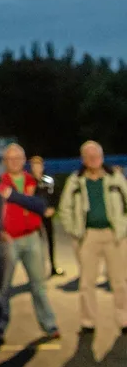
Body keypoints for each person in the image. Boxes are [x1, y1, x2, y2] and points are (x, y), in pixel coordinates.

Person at [0, 144, 59, 341]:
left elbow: (41, 206)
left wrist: (12, 195)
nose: (15, 162)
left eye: (18, 158)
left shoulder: (33, 181)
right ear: (5, 161)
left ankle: (49, 324)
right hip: (8, 240)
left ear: (24, 159)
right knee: (3, 289)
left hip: (32, 237)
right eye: (10, 159)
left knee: (39, 285)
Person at [57, 140, 127, 334]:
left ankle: (124, 318)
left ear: (102, 157)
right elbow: (64, 208)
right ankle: (88, 321)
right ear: (83, 159)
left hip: (115, 236)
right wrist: (74, 230)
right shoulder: (76, 180)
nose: (93, 159)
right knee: (87, 282)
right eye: (89, 156)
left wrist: (123, 227)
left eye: (96, 155)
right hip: (88, 237)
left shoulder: (115, 177)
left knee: (120, 281)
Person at [29, 155, 64, 276]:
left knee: (50, 240)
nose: (36, 167)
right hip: (35, 215)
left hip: (47, 215)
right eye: (34, 165)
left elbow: (56, 195)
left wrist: (53, 208)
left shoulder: (48, 180)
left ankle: (53, 267)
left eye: (38, 165)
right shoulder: (29, 180)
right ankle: (39, 269)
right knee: (36, 243)